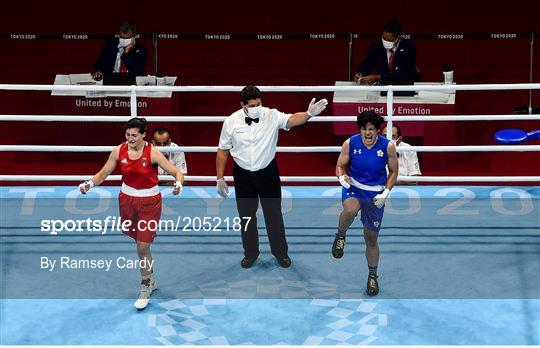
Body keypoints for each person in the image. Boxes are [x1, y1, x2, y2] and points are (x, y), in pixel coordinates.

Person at [216, 85, 328, 269]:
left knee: (274, 215)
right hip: (243, 175)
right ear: (242, 105)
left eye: (259, 103)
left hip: (268, 173)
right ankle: (250, 253)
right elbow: (222, 150)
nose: (257, 107)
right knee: (246, 217)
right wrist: (220, 178)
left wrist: (309, 113)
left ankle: (281, 253)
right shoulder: (231, 121)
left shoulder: (271, 114)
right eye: (252, 105)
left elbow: (291, 119)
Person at [78, 117, 184, 310]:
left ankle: (145, 285)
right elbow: (103, 174)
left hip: (150, 203)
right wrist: (89, 184)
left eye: (134, 135)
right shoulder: (119, 150)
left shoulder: (153, 153)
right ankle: (151, 279)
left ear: (144, 135)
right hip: (127, 200)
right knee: (140, 245)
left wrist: (178, 184)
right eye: (127, 135)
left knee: (143, 247)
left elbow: (177, 172)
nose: (130, 138)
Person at [332, 111, 398, 296]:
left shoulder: (388, 147)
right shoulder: (350, 143)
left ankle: (372, 276)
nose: (367, 133)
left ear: (378, 131)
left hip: (376, 192)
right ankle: (340, 235)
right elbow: (340, 165)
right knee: (351, 209)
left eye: (371, 129)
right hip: (355, 187)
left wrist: (386, 192)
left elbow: (393, 172)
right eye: (364, 129)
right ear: (360, 130)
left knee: (371, 239)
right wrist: (342, 178)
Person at [354, 20, 419, 86]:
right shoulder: (376, 47)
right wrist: (360, 73)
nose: (385, 41)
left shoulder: (409, 47)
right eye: (384, 38)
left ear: (398, 38)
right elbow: (367, 64)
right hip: (382, 88)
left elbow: (402, 74)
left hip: (405, 88)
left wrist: (378, 77)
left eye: (389, 40)